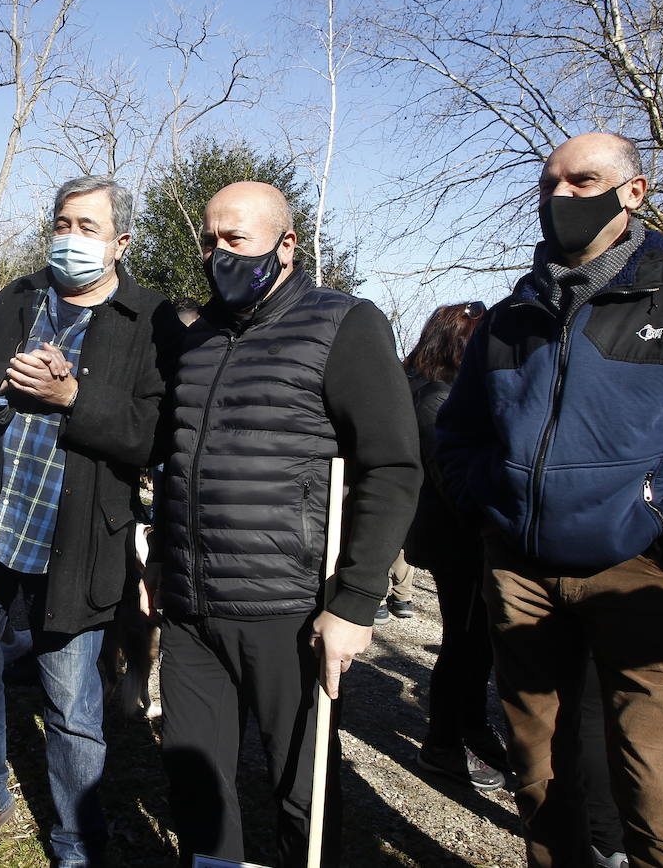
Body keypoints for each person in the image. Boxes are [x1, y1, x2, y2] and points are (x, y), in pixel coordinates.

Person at [436, 131, 663, 867]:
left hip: (643, 573)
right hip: (521, 575)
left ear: (633, 193)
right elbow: (459, 435)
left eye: (582, 182)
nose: (560, 198)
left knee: (655, 798)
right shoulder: (511, 317)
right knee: (541, 784)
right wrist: (495, 515)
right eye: (549, 185)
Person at [154, 181, 421, 868]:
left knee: (302, 788)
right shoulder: (197, 337)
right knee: (196, 784)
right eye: (209, 241)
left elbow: (392, 467)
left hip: (287, 606)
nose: (218, 254)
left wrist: (355, 601)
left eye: (235, 240)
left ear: (287, 243)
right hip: (190, 605)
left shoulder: (344, 323)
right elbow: (176, 455)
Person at [0, 175, 179, 867]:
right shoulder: (20, 297)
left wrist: (74, 396)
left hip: (74, 546)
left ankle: (77, 843)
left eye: (88, 227)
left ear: (120, 241)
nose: (70, 239)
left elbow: (154, 433)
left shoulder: (149, 319)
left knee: (73, 709)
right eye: (63, 223)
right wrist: (5, 387)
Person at [398, 301, 508, 792]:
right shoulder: (435, 399)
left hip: (457, 537)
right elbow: (454, 483)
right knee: (465, 645)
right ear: (458, 342)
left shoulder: (433, 390)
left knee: (474, 644)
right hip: (457, 541)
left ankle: (471, 729)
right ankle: (445, 742)